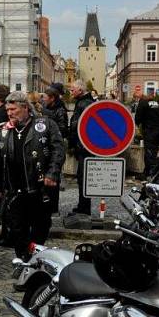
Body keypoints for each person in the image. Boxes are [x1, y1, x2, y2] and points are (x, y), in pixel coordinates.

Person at [0, 91, 65, 261]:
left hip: (40, 187)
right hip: (15, 188)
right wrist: (0, 185)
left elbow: (58, 150)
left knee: (40, 226)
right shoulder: (4, 130)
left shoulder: (45, 125)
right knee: (17, 228)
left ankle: (33, 259)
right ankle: (24, 258)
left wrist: (52, 173)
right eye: (8, 110)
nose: (10, 113)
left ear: (25, 107)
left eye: (13, 109)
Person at [68, 79, 95, 215]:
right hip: (83, 146)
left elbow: (80, 126)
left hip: (85, 148)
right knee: (82, 178)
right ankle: (82, 206)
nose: (70, 91)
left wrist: (72, 140)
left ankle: (84, 209)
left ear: (80, 90)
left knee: (84, 178)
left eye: (73, 89)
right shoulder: (83, 102)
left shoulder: (85, 104)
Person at [135, 88, 159, 178]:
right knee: (154, 152)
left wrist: (138, 126)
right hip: (158, 131)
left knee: (149, 153)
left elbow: (138, 118)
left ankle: (150, 175)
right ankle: (149, 172)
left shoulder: (143, 103)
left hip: (150, 131)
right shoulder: (157, 103)